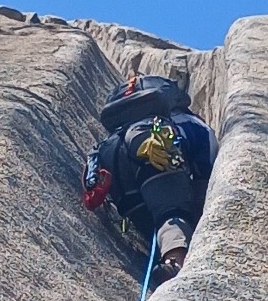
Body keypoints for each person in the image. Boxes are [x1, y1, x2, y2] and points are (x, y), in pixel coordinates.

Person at [83, 72, 218, 278]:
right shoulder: (187, 122)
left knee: (156, 219)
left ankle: (166, 254)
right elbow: (207, 169)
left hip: (115, 170)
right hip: (154, 152)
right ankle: (176, 263)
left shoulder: (118, 131)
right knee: (172, 212)